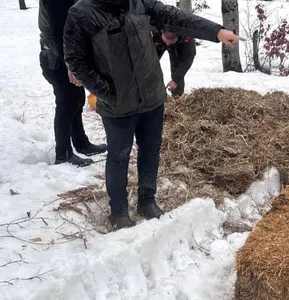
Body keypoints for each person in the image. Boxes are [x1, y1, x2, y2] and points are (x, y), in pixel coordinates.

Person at [62, 0, 244, 231]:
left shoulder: (138, 3)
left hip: (151, 96)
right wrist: (107, 93)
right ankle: (118, 212)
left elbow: (176, 18)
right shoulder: (82, 13)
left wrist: (216, 32)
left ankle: (147, 201)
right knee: (119, 155)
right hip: (117, 105)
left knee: (150, 150)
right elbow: (75, 60)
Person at [38, 0, 107, 167]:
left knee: (77, 99)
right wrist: (71, 65)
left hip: (65, 54)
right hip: (57, 58)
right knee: (66, 103)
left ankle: (81, 142)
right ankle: (63, 153)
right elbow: (58, 31)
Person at [152, 28, 196, 98]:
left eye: (170, 42)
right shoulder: (155, 28)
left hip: (179, 46)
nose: (168, 44)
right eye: (166, 42)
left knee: (177, 68)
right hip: (158, 40)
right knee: (149, 65)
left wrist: (175, 80)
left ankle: (177, 97)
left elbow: (187, 60)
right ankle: (152, 94)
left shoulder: (187, 38)